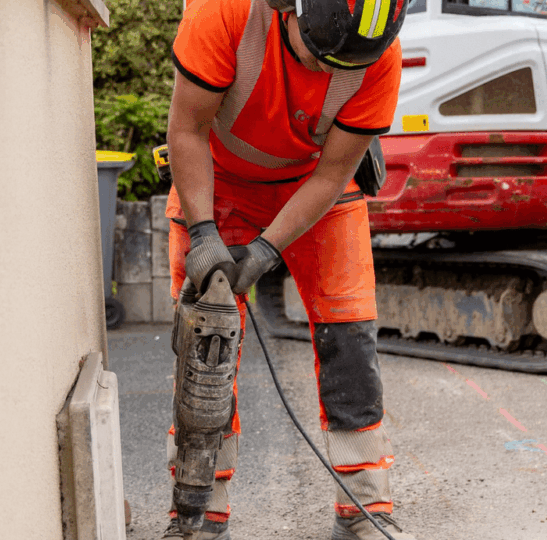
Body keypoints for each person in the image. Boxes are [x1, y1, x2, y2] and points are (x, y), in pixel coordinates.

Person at [162, 0, 413, 538]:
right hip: (216, 181)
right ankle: (198, 513)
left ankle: (366, 507)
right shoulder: (223, 13)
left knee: (350, 340)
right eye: (321, 57)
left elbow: (333, 173)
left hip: (317, 191)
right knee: (206, 342)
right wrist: (204, 232)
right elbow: (186, 129)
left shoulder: (381, 57)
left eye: (349, 66)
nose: (330, 74)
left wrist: (268, 249)